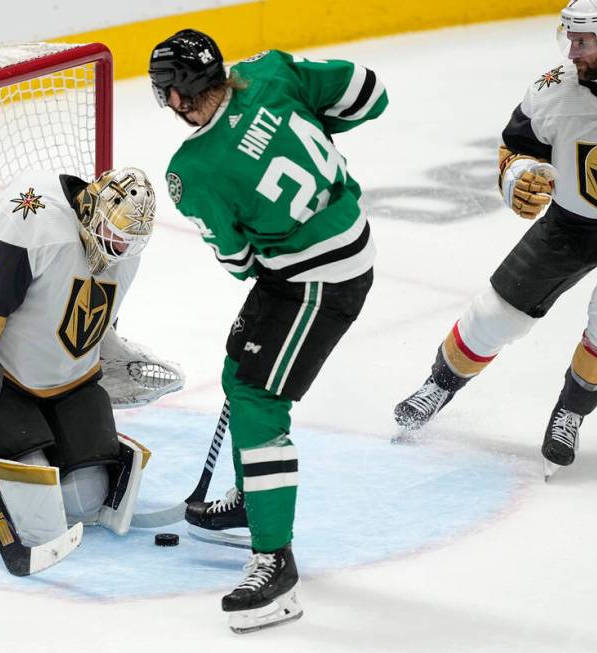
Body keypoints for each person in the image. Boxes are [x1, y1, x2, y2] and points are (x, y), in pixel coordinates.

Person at [149, 30, 387, 633]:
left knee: (258, 401)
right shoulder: (270, 74)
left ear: (178, 97)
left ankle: (274, 563)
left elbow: (239, 265)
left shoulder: (192, 170)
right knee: (239, 370)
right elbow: (370, 94)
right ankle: (252, 501)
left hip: (317, 281)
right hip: (337, 247)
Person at [394, 0, 597, 478]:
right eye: (570, 38)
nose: (573, 50)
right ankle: (439, 386)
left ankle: (571, 412)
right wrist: (519, 176)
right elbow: (517, 148)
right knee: (492, 316)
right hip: (570, 222)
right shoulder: (553, 89)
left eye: (583, 41)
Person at [0, 166, 157, 530]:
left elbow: (82, 316)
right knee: (31, 494)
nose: (120, 248)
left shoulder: (126, 255)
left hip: (74, 385)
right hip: (4, 383)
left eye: (131, 240)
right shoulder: (34, 220)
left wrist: (110, 350)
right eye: (116, 233)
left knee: (85, 502)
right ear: (91, 208)